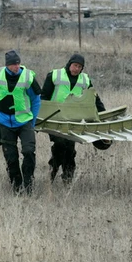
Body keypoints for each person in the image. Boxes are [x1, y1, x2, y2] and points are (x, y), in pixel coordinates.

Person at [0, 50, 41, 194]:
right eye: (14, 64)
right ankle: (16, 187)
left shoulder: (28, 76)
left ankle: (28, 184)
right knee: (11, 157)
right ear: (7, 65)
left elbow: (36, 100)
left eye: (18, 63)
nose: (17, 66)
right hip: (4, 122)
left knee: (28, 151)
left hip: (24, 121)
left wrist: (32, 122)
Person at [41, 53, 106, 184]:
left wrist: (103, 114)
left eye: (80, 67)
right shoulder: (54, 75)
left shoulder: (85, 80)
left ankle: (67, 178)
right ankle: (52, 171)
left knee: (69, 149)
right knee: (60, 144)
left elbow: (94, 98)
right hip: (54, 119)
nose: (76, 69)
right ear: (69, 64)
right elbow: (43, 98)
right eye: (75, 65)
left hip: (73, 121)